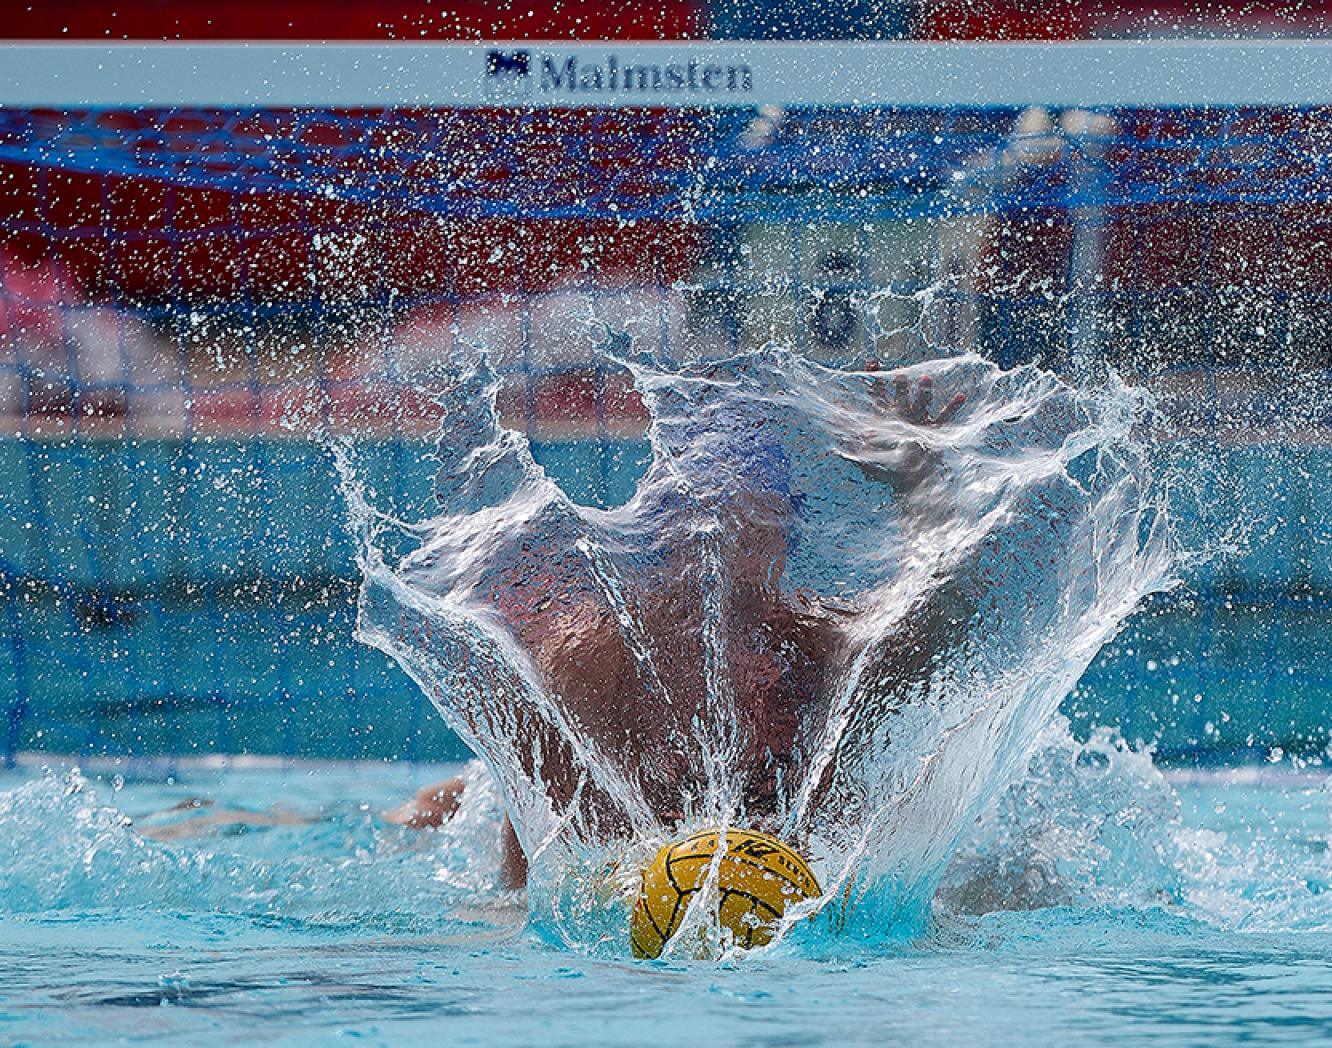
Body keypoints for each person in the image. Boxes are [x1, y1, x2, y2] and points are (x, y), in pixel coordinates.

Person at [386, 362, 968, 889]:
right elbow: (530, 838)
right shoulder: (585, 657)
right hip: (627, 857)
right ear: (658, 537)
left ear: (777, 547)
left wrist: (920, 485)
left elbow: (937, 620)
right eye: (698, 527)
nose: (711, 549)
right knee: (481, 790)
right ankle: (450, 798)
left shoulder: (814, 646)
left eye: (737, 527)